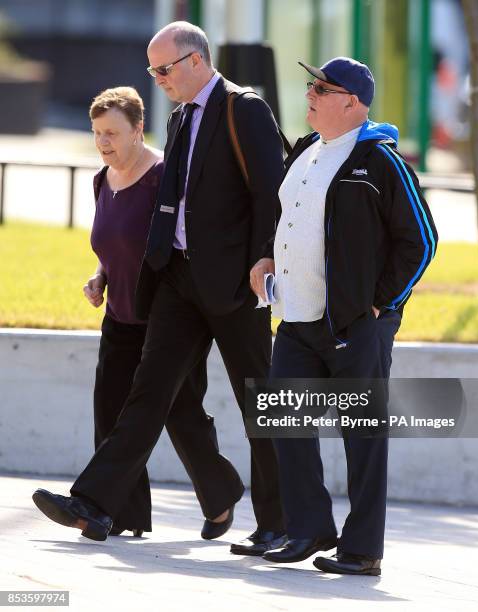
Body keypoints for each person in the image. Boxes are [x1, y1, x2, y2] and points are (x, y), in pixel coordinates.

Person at [32, 22, 287, 554]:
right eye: (152, 70)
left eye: (164, 68)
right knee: (148, 394)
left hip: (237, 285)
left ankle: (279, 520)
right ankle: (95, 503)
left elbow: (270, 192)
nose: (158, 78)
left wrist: (264, 255)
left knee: (257, 401)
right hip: (178, 280)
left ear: (196, 60)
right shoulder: (178, 118)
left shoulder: (245, 110)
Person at [251, 57, 438, 574]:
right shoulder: (307, 150)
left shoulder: (381, 161)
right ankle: (308, 529)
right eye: (311, 84)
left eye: (322, 87)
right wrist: (269, 257)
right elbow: (290, 219)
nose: (310, 92)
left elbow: (421, 241)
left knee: (361, 436)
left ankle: (361, 550)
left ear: (352, 102)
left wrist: (378, 304)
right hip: (297, 319)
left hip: (357, 325)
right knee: (285, 422)